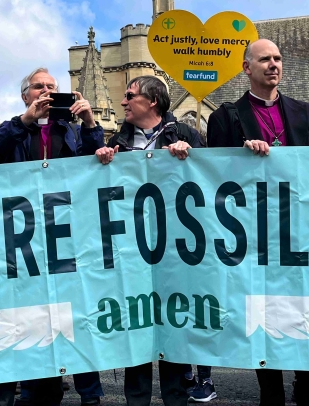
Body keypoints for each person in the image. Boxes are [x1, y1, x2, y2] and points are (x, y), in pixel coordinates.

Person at [206, 39, 309, 406]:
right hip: (257, 234)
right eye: (265, 59)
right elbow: (215, 175)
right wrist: (241, 157)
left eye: (278, 59)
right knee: (266, 316)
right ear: (247, 68)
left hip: (304, 231)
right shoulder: (226, 117)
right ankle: (270, 395)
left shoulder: (305, 112)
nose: (274, 64)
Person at [0, 67, 103, 406]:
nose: (46, 92)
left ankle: (90, 395)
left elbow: (98, 165)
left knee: (76, 316)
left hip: (67, 238)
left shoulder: (73, 131)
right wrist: (24, 121)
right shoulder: (13, 129)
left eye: (52, 87)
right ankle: (37, 393)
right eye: (38, 87)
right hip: (26, 241)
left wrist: (90, 122)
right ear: (25, 95)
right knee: (34, 319)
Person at [95, 75, 200, 406]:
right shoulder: (118, 141)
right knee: (136, 328)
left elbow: (214, 177)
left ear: (152, 100)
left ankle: (177, 399)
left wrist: (192, 154)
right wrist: (100, 163)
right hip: (133, 252)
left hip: (176, 252)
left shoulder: (185, 134)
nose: (123, 102)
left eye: (129, 95)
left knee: (174, 327)